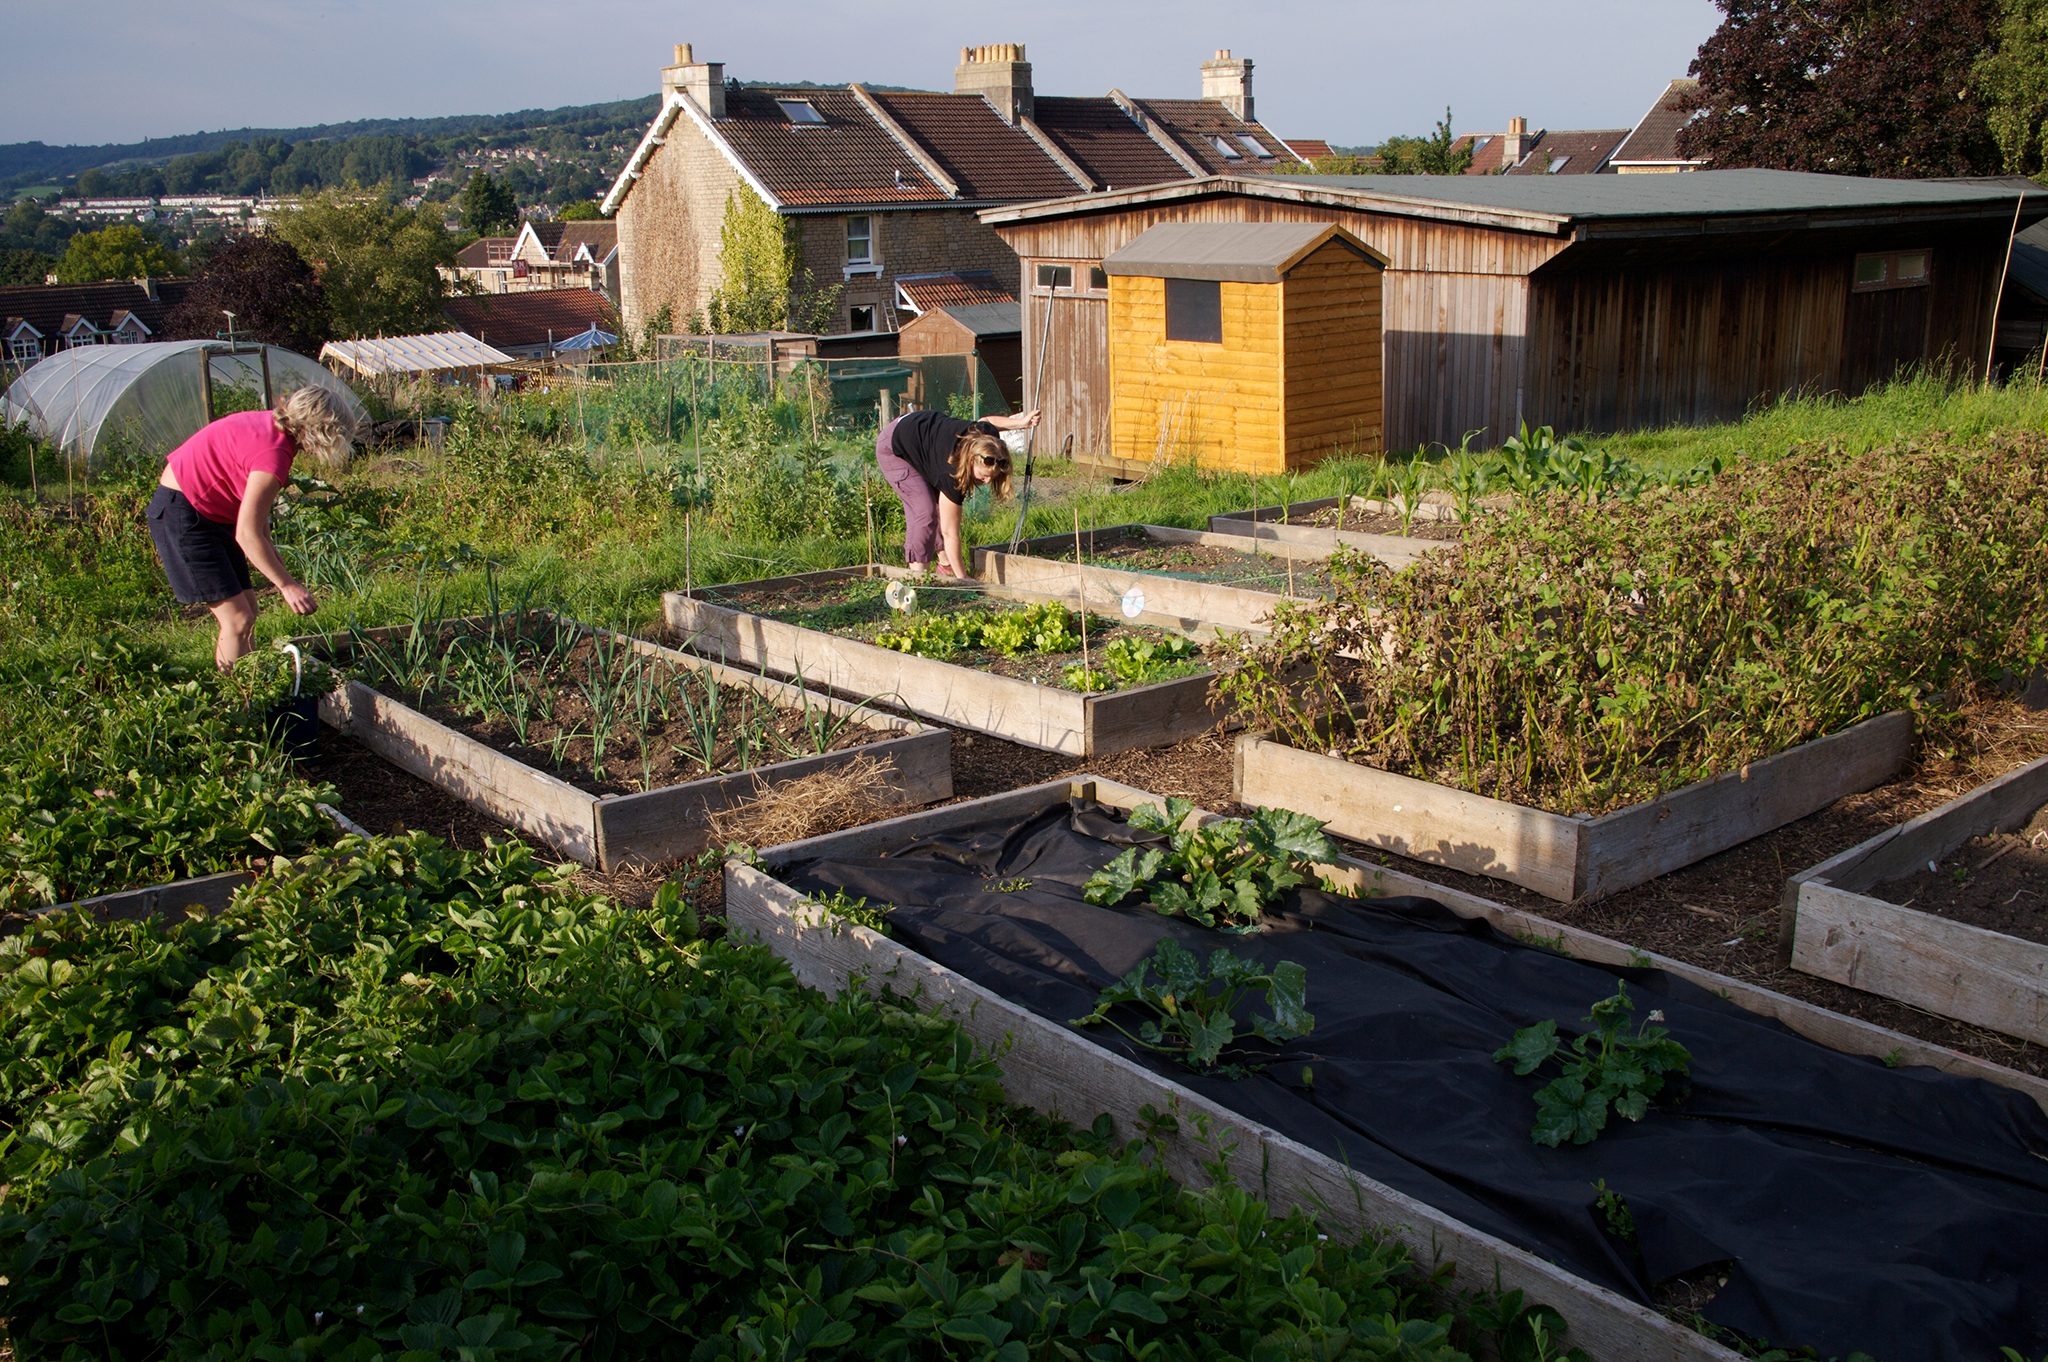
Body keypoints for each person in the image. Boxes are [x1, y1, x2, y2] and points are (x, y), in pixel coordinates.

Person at [146, 385, 362, 669]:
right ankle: (237, 705)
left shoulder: (270, 426)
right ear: (322, 431)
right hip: (185, 516)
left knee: (249, 609)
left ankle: (251, 687)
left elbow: (256, 522)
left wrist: (273, 558)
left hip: (205, 511)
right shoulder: (273, 455)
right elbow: (247, 534)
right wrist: (287, 585)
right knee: (237, 620)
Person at [875, 406, 1040, 579]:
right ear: (970, 461)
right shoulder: (951, 474)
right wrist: (964, 579)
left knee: (941, 508)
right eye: (983, 476)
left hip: (921, 435)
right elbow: (950, 533)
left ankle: (946, 566)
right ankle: (917, 578)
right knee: (925, 511)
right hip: (895, 447)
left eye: (992, 477)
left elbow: (987, 421)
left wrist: (1021, 423)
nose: (988, 481)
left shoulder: (987, 441)